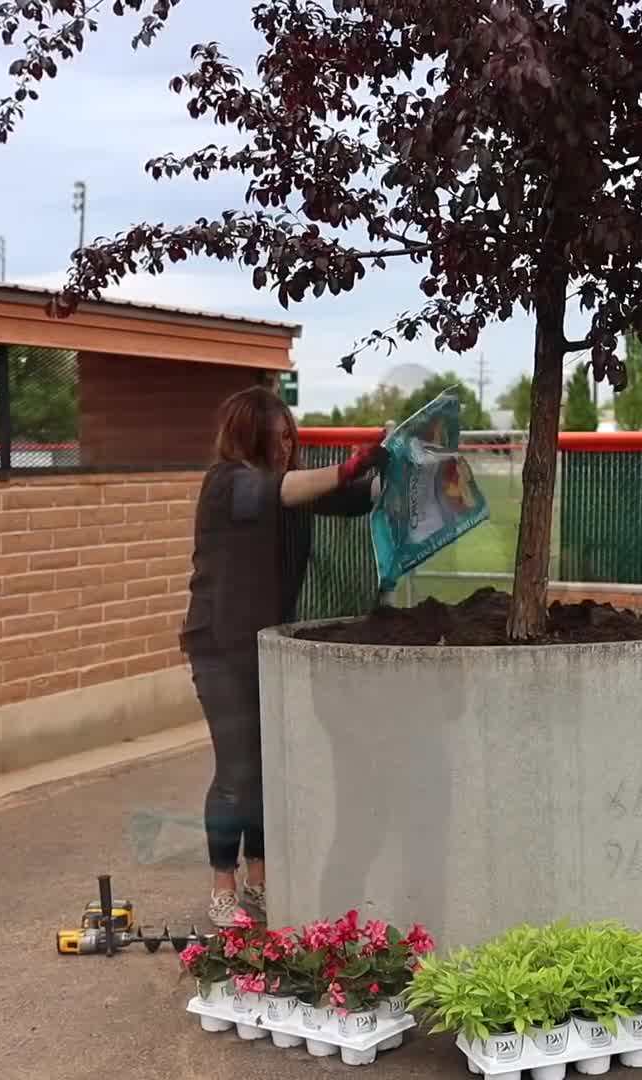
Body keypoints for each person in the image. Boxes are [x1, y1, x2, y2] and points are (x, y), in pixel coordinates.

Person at [180, 385, 387, 927]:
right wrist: (347, 468)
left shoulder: (289, 488)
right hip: (222, 649)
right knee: (239, 770)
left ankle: (261, 880)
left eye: (292, 433)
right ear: (252, 435)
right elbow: (274, 492)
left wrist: (399, 464)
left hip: (270, 649)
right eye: (280, 434)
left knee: (268, 769)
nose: (289, 442)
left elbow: (362, 496)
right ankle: (223, 888)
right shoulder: (228, 484)